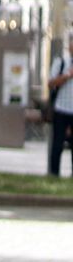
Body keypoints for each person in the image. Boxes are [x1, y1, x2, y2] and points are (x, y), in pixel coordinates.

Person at [49, 32, 73, 176]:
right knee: (57, 143)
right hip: (61, 108)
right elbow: (51, 83)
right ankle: (54, 172)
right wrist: (67, 76)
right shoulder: (61, 61)